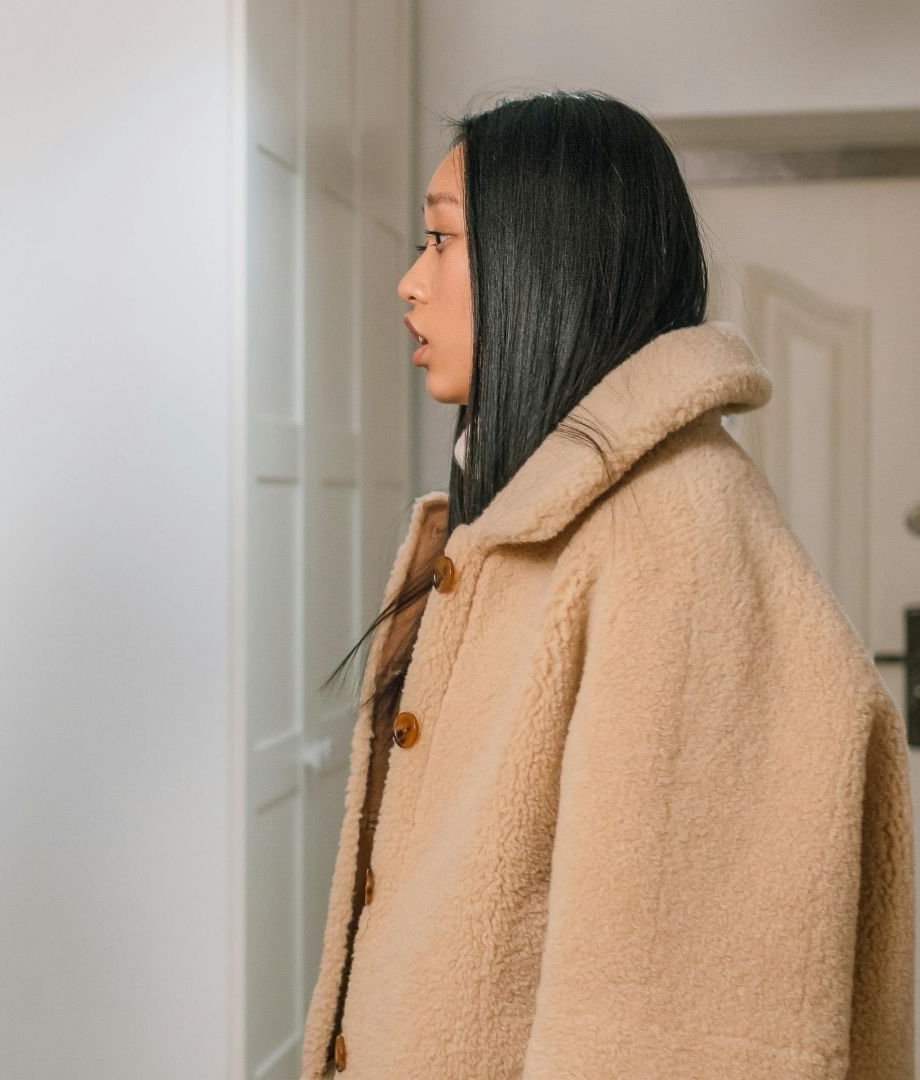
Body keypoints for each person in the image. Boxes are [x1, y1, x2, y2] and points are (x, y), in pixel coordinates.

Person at [302, 91, 914, 1079]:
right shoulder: (550, 523)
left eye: (442, 242)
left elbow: (682, 1037)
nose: (410, 284)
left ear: (549, 262)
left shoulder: (677, 545)